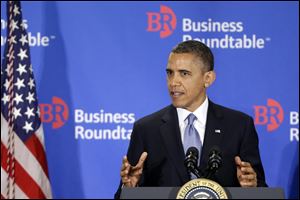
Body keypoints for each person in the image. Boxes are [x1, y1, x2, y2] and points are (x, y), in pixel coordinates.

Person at [114, 40, 267, 198]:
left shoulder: (239, 126)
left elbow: (261, 190)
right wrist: (130, 188)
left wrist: (252, 187)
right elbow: (122, 195)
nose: (173, 82)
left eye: (184, 73)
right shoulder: (146, 129)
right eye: (170, 73)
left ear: (208, 78)